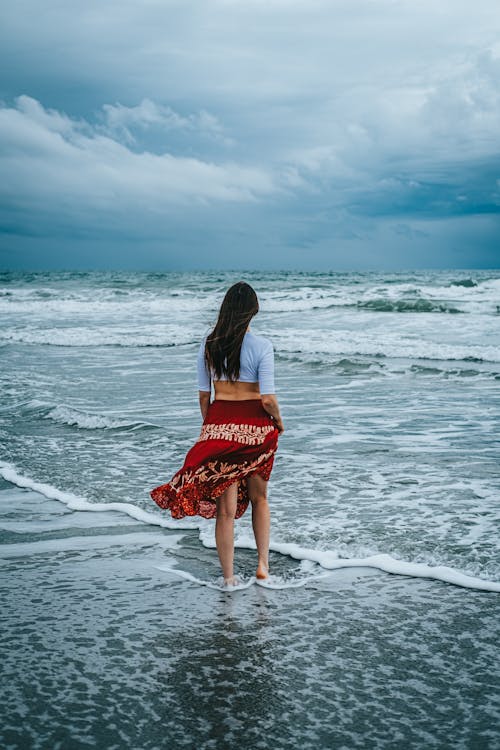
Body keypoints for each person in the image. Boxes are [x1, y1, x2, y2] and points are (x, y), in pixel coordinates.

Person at [150, 281, 284, 586]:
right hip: (256, 431)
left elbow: (202, 396)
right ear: (254, 311)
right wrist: (279, 422)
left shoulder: (208, 344)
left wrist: (211, 429)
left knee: (225, 511)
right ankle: (262, 566)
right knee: (260, 499)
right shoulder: (262, 345)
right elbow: (268, 399)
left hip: (219, 426)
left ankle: (228, 578)